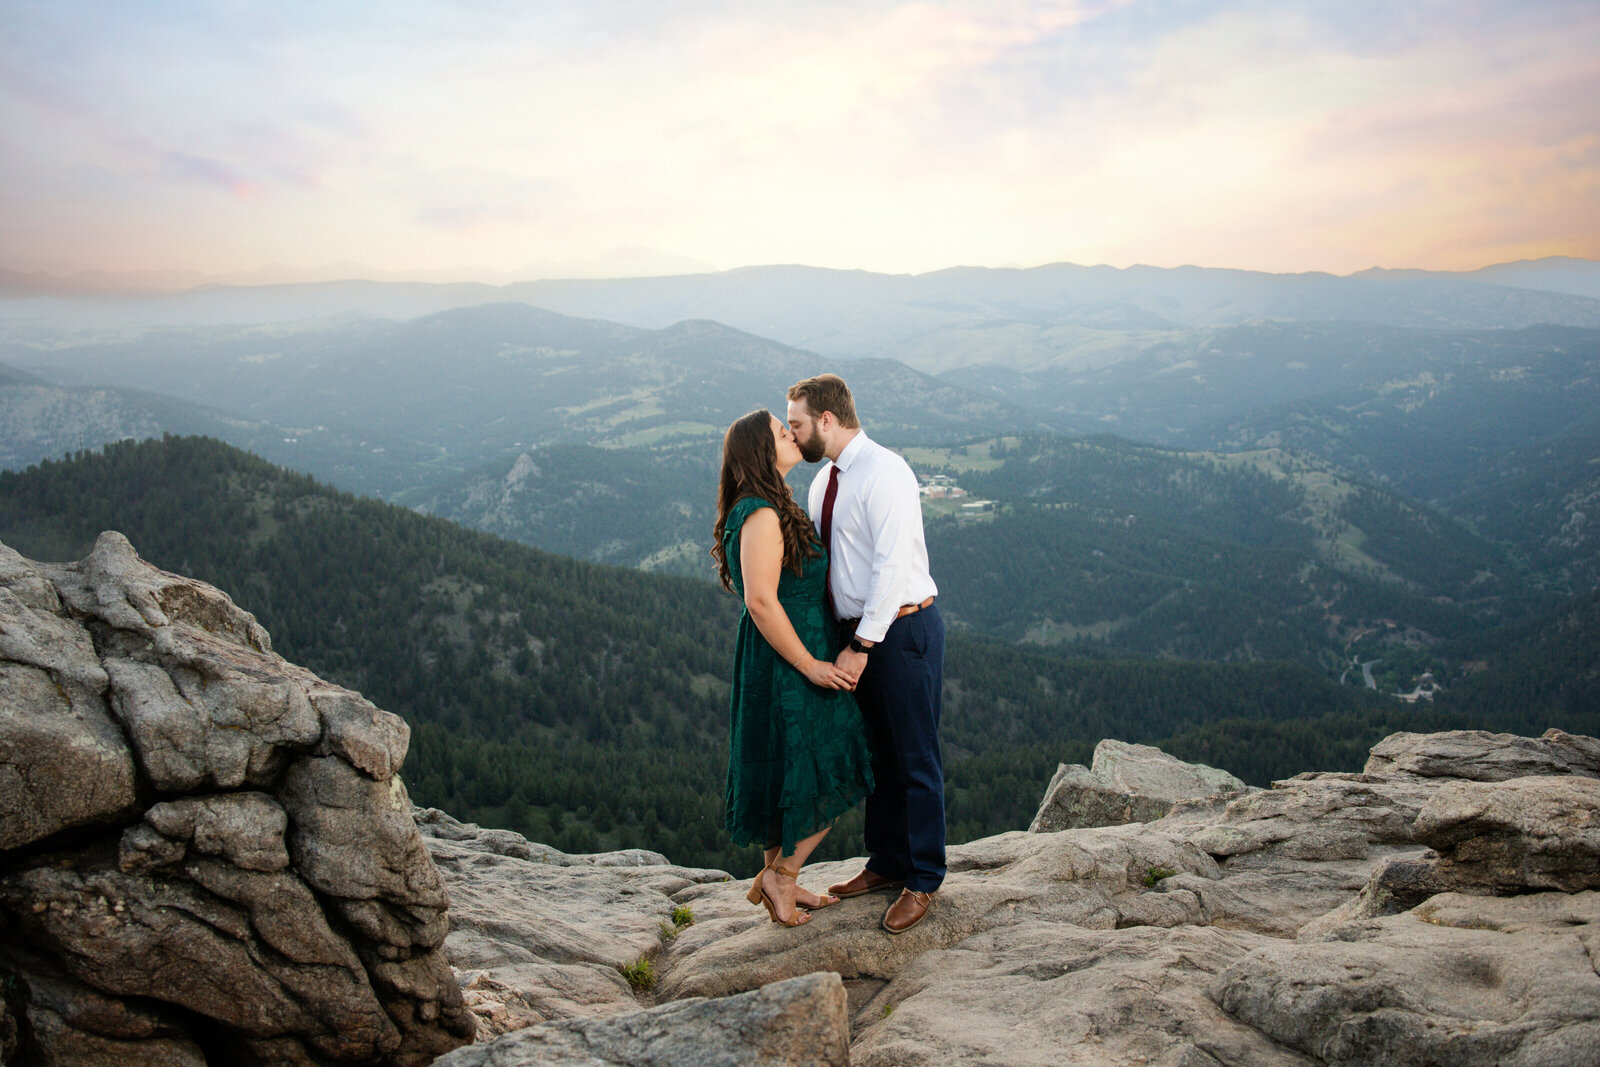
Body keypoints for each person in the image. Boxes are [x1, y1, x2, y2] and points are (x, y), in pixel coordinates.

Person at [786, 373, 946, 935]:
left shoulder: (886, 472)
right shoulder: (823, 480)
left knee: (914, 758)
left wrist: (860, 646)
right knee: (877, 756)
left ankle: (924, 879)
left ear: (826, 420)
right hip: (854, 634)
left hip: (899, 632)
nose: (792, 433)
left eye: (797, 423)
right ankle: (886, 863)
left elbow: (891, 568)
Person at [711, 409, 876, 927]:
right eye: (782, 433)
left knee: (784, 764)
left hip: (784, 655)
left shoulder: (771, 504)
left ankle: (780, 881)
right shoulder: (760, 514)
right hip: (789, 661)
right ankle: (782, 875)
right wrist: (810, 666)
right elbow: (761, 601)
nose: (792, 434)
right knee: (839, 759)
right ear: (762, 451)